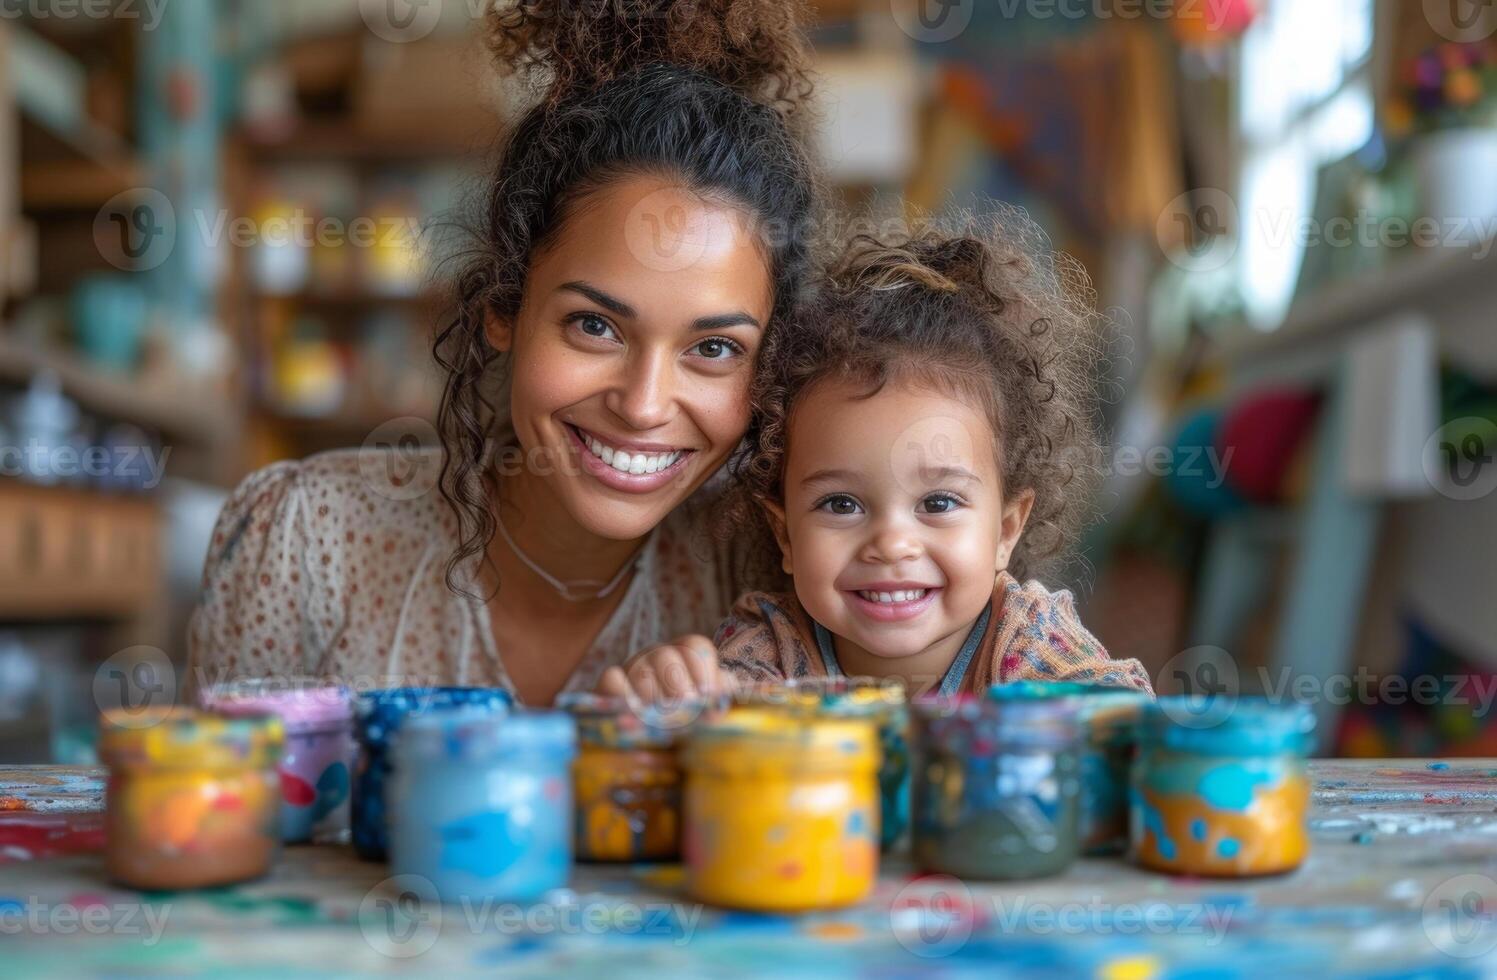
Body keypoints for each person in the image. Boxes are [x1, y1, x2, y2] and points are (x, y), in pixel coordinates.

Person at [187, 0, 822, 706]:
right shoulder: (307, 541)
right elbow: (202, 808)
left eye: (712, 347)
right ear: (504, 308)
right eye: (595, 327)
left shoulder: (779, 565)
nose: (643, 405)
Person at [606, 214, 1153, 699]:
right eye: (841, 504)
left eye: (938, 502)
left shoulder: (1028, 640)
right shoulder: (773, 651)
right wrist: (682, 701)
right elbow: (721, 723)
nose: (891, 544)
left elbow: (1123, 719)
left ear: (1006, 530)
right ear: (786, 536)